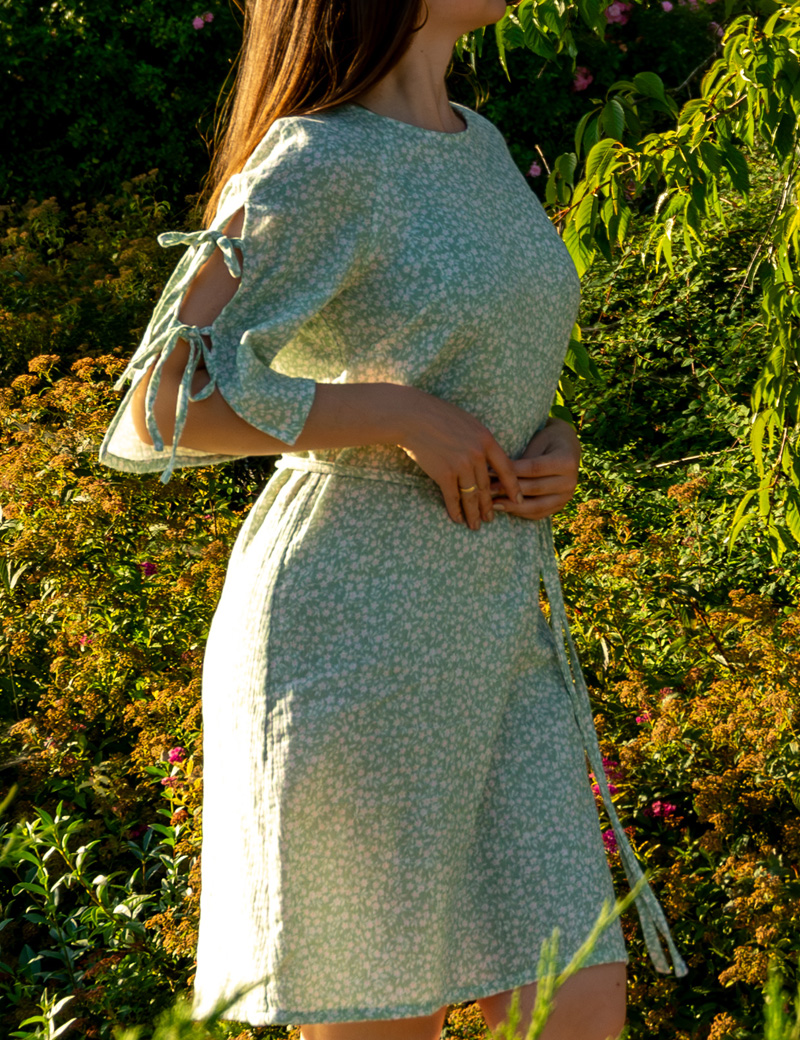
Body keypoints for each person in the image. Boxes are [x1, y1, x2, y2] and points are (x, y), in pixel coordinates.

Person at [97, 0, 688, 1037]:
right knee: (379, 1018)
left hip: (498, 629)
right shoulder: (312, 158)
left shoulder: (483, 142)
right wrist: (393, 414)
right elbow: (159, 400)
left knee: (579, 998)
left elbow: (482, 362)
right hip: (350, 636)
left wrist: (552, 443)